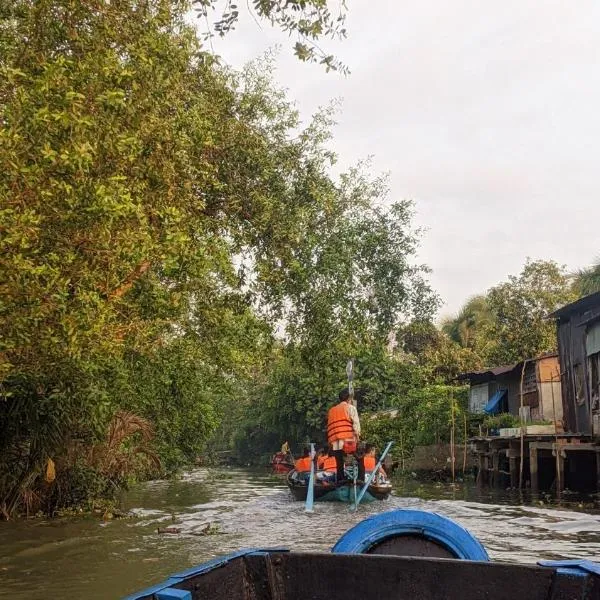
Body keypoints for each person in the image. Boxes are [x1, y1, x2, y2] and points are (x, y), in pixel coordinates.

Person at [327, 388, 361, 482]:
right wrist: (358, 438)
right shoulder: (350, 408)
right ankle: (360, 479)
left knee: (339, 462)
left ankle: (340, 480)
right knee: (360, 459)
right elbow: (356, 425)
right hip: (348, 440)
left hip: (335, 442)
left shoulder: (332, 410)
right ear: (349, 398)